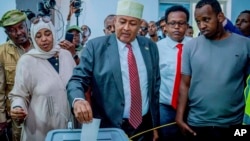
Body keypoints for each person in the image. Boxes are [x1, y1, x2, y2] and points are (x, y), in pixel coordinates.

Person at [66, 0, 160, 140]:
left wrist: (154, 126)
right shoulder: (96, 47)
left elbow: (154, 88)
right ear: (115, 22)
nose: (126, 28)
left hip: (143, 126)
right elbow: (77, 80)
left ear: (140, 25)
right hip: (109, 126)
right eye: (122, 22)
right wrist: (78, 100)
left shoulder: (149, 47)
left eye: (133, 23)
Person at [175, 0, 250, 140]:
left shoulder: (245, 45)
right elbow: (185, 84)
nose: (202, 26)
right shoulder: (190, 47)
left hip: (234, 124)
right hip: (197, 123)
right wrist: (179, 118)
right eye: (198, 21)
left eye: (206, 19)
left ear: (220, 17)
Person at [8, 17, 76, 141]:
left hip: (68, 123)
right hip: (41, 126)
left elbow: (76, 84)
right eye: (38, 36)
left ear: (53, 33)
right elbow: (19, 94)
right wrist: (17, 107)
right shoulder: (27, 61)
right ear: (33, 38)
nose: (44, 39)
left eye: (47, 33)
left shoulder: (66, 55)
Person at [157, 5, 192, 141]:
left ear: (187, 25)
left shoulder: (195, 46)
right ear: (165, 26)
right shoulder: (157, 48)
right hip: (166, 106)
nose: (176, 27)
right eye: (172, 23)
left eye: (181, 23)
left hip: (191, 106)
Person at [0, 9, 33, 141]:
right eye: (12, 30)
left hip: (42, 111)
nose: (19, 32)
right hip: (17, 115)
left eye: (21, 27)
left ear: (27, 25)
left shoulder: (40, 45)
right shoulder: (2, 52)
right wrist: (1, 118)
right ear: (6, 33)